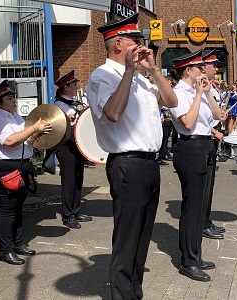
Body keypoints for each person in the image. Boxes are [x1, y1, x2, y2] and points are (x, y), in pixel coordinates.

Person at [86, 13, 177, 299]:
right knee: (127, 240)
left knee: (142, 238)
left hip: (149, 165)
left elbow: (172, 102)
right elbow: (112, 113)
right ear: (117, 45)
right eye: (135, 41)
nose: (142, 45)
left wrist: (153, 70)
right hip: (128, 164)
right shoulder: (102, 76)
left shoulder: (141, 78)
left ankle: (133, 294)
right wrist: (128, 71)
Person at [0, 80, 52, 265]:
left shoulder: (14, 117)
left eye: (14, 97)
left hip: (20, 166)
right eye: (9, 98)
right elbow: (9, 141)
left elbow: (25, 140)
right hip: (7, 168)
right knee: (7, 210)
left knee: (16, 208)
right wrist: (33, 128)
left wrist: (38, 134)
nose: (14, 101)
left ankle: (17, 244)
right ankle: (6, 250)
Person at [169, 49, 221, 282]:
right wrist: (199, 94)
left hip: (205, 146)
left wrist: (207, 93)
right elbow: (188, 123)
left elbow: (218, 115)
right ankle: (188, 261)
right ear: (188, 71)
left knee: (200, 206)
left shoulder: (197, 91)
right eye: (200, 68)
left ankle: (196, 256)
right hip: (189, 147)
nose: (204, 71)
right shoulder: (177, 93)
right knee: (192, 207)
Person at [54, 70, 92, 229]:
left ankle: (76, 210)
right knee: (69, 182)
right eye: (74, 85)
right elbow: (59, 124)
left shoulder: (75, 102)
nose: (77, 86)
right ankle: (67, 215)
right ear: (65, 88)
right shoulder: (59, 105)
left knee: (78, 178)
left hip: (77, 145)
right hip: (66, 146)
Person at [202, 51, 226, 240]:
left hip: (211, 140)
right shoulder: (199, 89)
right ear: (204, 67)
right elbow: (196, 122)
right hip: (204, 140)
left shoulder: (211, 89)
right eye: (214, 66)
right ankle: (202, 223)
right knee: (203, 188)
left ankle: (206, 220)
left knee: (210, 185)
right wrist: (214, 131)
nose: (216, 69)